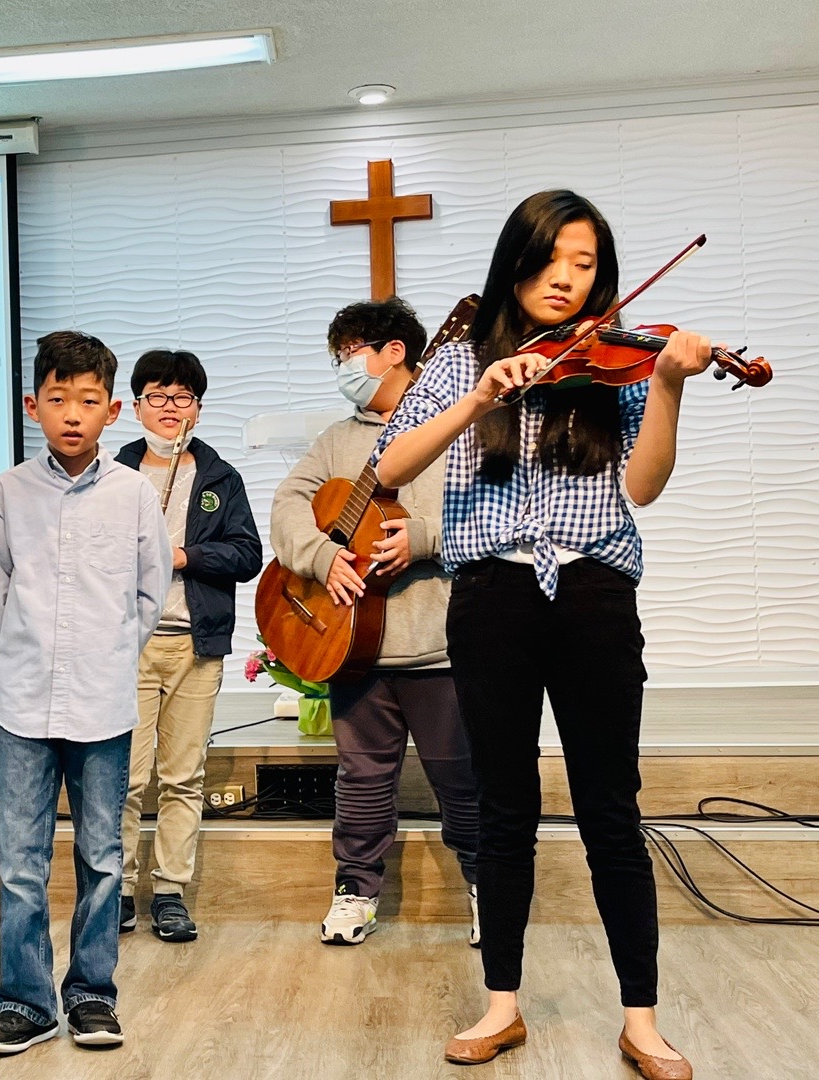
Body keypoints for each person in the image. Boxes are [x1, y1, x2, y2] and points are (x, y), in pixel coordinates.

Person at [376, 190, 707, 1079]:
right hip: (493, 596)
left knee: (611, 807)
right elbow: (390, 465)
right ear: (514, 261)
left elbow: (642, 487)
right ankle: (502, 1007)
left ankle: (641, 1021)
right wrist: (478, 394)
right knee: (504, 806)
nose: (566, 278)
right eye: (550, 257)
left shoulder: (616, 362)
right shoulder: (460, 359)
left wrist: (670, 382)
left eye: (585, 264)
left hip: (595, 593)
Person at [0, 330, 171, 1055]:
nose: (72, 414)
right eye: (58, 399)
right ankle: (25, 1003)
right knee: (20, 864)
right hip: (23, 702)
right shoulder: (9, 491)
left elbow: (149, 594)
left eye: (88, 401)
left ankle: (91, 995)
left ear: (112, 410)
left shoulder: (134, 493)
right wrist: (35, 651)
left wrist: (107, 654)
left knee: (103, 858)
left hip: (102, 701)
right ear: (33, 406)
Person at [269, 297, 480, 948]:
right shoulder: (338, 439)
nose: (343, 366)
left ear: (396, 352)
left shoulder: (458, 427)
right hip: (349, 645)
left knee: (462, 779)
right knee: (360, 781)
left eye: (351, 352)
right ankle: (355, 892)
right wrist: (322, 556)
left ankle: (487, 887)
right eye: (338, 355)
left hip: (438, 645)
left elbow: (496, 517)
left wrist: (424, 538)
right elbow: (288, 505)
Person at [114, 349, 262, 942]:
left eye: (182, 398)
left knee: (183, 777)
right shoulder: (112, 474)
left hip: (195, 646)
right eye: (157, 396)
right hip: (126, 648)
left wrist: (183, 556)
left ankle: (170, 892)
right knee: (125, 778)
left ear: (197, 408)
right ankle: (118, 889)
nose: (169, 408)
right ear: (137, 406)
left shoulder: (220, 478)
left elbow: (247, 555)